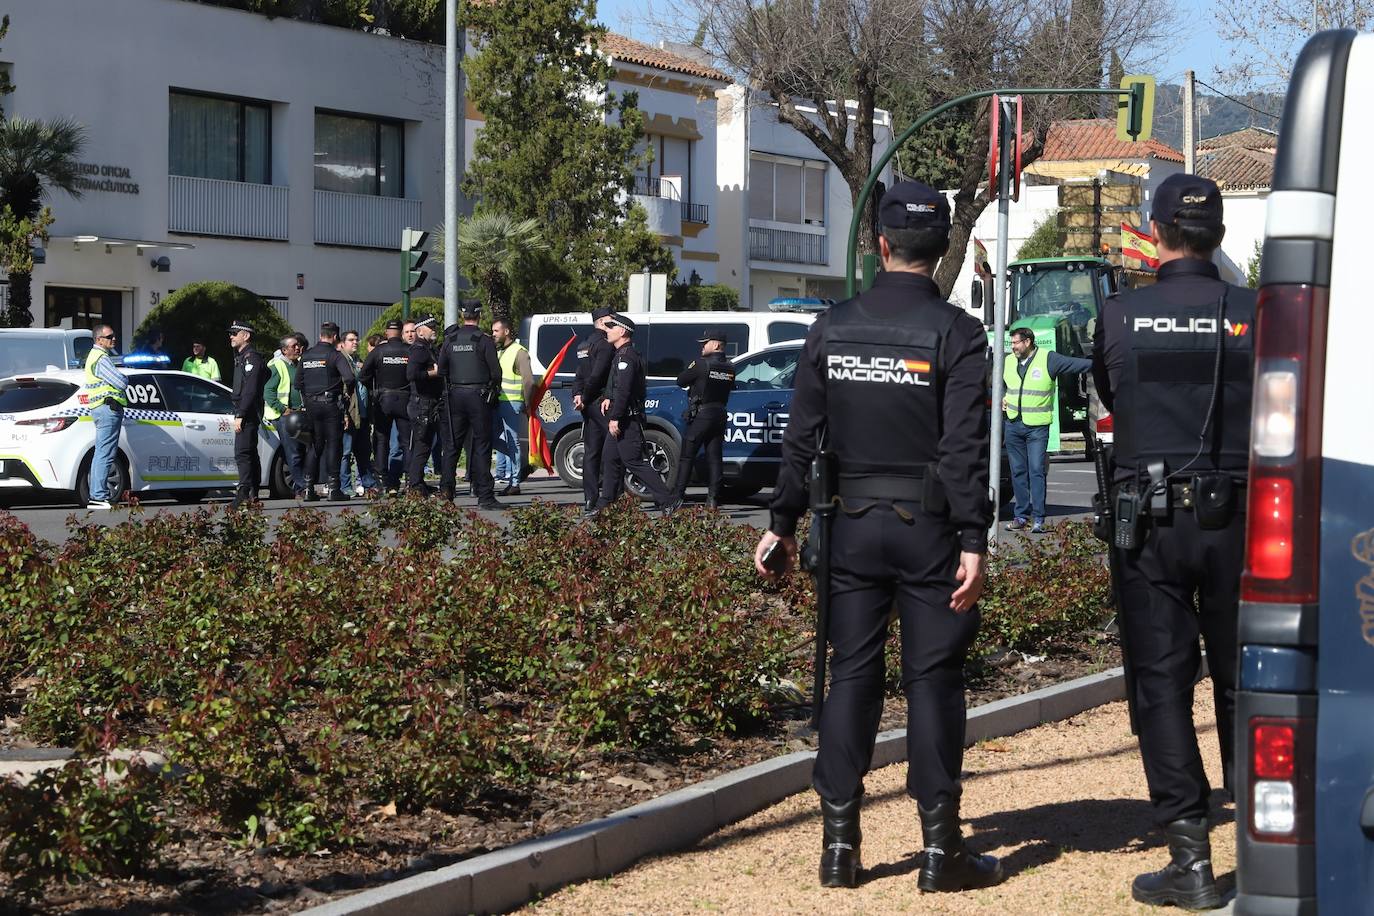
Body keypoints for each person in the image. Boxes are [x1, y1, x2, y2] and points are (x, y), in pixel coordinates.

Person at [752, 181, 1000, 894]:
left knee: (851, 676)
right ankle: (938, 850)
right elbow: (964, 449)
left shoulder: (832, 327)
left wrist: (781, 525)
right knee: (934, 682)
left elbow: (799, 439)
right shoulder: (957, 333)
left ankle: (839, 846)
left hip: (850, 531)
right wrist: (974, 540)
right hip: (930, 533)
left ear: (880, 245)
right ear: (943, 246)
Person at [1090, 173, 1254, 910]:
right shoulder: (1258, 312)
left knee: (1161, 685)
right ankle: (1261, 841)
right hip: (1245, 523)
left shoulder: (1120, 314)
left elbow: (1111, 393)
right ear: (1217, 235)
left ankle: (1189, 856)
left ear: (1156, 231)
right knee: (1245, 682)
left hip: (1149, 520)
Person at [1002, 326, 1091, 533]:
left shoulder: (1048, 359)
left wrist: (1106, 364)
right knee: (1018, 472)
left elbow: (1076, 364)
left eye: (1016, 343)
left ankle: (1039, 518)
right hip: (1013, 424)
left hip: (1037, 427)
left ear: (1028, 342)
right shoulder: (1007, 361)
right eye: (1012, 343)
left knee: (1036, 470)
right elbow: (1000, 384)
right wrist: (1001, 398)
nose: (1013, 347)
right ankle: (1021, 516)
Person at [593, 313, 676, 514]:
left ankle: (667, 501)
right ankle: (606, 504)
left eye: (611, 328)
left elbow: (625, 390)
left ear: (621, 331)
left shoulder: (626, 357)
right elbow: (616, 386)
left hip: (626, 419)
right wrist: (607, 397)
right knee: (610, 459)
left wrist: (615, 417)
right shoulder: (621, 354)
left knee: (634, 461)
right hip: (622, 415)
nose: (607, 330)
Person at [438, 300, 503, 510]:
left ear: (461, 315)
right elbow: (496, 372)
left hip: (455, 396)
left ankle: (446, 491)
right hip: (478, 396)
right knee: (482, 445)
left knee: (452, 446)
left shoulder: (450, 340)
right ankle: (484, 495)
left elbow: (442, 371)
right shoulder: (483, 340)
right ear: (480, 315)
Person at [670, 328, 737, 508]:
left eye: (704, 343)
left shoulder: (701, 364)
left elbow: (681, 380)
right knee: (714, 458)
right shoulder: (731, 367)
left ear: (715, 345)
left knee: (686, 457)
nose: (701, 347)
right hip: (720, 414)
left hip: (703, 415)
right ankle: (713, 499)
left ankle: (676, 498)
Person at [294, 321, 356, 501]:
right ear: (335, 337)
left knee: (314, 446)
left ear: (321, 335)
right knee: (333, 446)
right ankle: (334, 489)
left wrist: (309, 399)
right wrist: (345, 396)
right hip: (330, 405)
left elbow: (298, 384)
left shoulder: (307, 356)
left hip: (311, 406)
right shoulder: (334, 355)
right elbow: (350, 378)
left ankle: (308, 488)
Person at [572, 307, 618, 511]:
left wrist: (578, 395)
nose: (614, 323)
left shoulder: (584, 344)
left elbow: (579, 374)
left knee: (591, 452)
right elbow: (597, 375)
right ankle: (612, 497)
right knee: (612, 450)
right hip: (601, 402)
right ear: (601, 322)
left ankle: (590, 498)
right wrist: (586, 396)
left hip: (588, 404)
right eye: (611, 320)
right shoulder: (605, 345)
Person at [362, 319, 413, 497]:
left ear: (386, 332)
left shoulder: (378, 351)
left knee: (381, 440)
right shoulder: (409, 350)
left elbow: (363, 376)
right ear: (400, 332)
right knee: (407, 442)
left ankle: (383, 481)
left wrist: (373, 389)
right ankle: (409, 480)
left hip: (383, 399)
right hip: (405, 398)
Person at [81, 324, 129, 509]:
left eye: (114, 335)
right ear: (99, 339)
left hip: (102, 408)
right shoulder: (101, 358)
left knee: (101, 453)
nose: (114, 339)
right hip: (108, 409)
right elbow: (121, 382)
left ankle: (96, 495)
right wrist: (125, 379)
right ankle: (98, 496)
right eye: (110, 336)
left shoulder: (96, 357)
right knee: (105, 454)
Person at [491, 317, 535, 496]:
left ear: (506, 331)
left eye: (496, 331)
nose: (493, 334)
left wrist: (527, 403)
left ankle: (515, 482)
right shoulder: (501, 351)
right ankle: (519, 462)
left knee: (512, 440)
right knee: (493, 438)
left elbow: (529, 381)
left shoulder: (519, 352)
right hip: (500, 401)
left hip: (512, 402)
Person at [228, 321, 268, 509]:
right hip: (245, 409)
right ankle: (253, 491)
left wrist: (241, 414)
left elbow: (250, 390)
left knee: (242, 453)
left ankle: (244, 491)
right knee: (250, 452)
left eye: (235, 333)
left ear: (246, 336)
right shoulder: (242, 356)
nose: (231, 336)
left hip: (247, 411)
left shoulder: (251, 357)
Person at [264, 334, 307, 499]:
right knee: (293, 451)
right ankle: (300, 488)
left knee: (300, 450)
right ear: (284, 350)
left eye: (298, 345)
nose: (298, 348)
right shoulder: (277, 365)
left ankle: (302, 484)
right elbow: (268, 392)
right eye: (294, 346)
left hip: (298, 414)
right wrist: (282, 409)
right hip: (282, 416)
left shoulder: (297, 364)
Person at [405, 316, 444, 494]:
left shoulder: (428, 348)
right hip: (422, 403)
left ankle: (418, 481)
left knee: (426, 444)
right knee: (422, 444)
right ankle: (415, 485)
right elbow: (412, 374)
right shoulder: (420, 349)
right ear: (420, 331)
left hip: (428, 403)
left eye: (435, 326)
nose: (434, 329)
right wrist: (434, 373)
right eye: (430, 327)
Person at [337, 329, 378, 498]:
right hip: (349, 414)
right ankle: (345, 486)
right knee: (345, 453)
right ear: (342, 344)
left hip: (362, 414)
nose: (356, 342)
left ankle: (369, 484)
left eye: (356, 339)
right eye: (351, 340)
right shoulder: (340, 362)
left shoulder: (357, 361)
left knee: (363, 451)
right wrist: (344, 413)